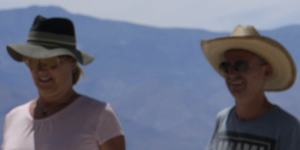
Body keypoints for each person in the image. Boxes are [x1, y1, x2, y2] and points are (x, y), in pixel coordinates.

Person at [2, 15, 125, 150]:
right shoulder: (13, 118)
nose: (41, 70)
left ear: (72, 62)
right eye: (33, 61)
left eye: (50, 62)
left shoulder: (99, 116)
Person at [201, 25, 300, 150]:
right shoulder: (222, 120)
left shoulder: (286, 128)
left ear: (266, 71)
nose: (231, 74)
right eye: (226, 66)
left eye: (241, 65)